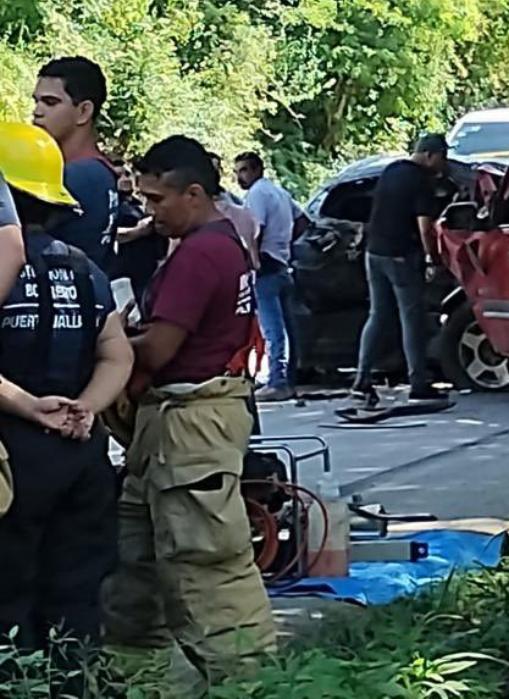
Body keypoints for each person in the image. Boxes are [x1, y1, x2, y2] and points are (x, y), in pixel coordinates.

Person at [101, 136, 275, 690]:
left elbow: (157, 350)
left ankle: (250, 684)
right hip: (175, 425)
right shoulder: (221, 240)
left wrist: (109, 342)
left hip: (192, 426)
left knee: (206, 566)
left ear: (194, 194)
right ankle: (134, 679)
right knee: (138, 563)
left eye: (157, 200)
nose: (149, 212)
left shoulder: (201, 254)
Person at [0, 122, 133, 692]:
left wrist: (32, 407)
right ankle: (73, 685)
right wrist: (85, 407)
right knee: (76, 595)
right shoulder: (84, 268)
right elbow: (117, 354)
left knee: (8, 599)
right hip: (81, 455)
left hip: (11, 457)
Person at [352, 133, 451, 404]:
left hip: (374, 253)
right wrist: (432, 258)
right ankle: (418, 383)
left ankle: (361, 380)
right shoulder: (421, 180)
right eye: (442, 157)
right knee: (412, 319)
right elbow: (425, 226)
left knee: (377, 316)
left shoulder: (391, 171)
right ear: (430, 155)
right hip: (401, 256)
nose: (443, 163)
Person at [31, 56, 119, 273]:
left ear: (84, 112)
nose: (37, 112)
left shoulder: (78, 175)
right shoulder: (100, 172)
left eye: (50, 102)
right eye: (36, 101)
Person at [235, 152, 297, 401]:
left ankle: (277, 381)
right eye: (237, 171)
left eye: (243, 170)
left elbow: (255, 230)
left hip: (266, 265)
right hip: (282, 263)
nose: (239, 177)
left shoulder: (257, 194)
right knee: (287, 327)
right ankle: (288, 378)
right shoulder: (279, 193)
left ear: (256, 170)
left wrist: (253, 260)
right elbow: (302, 220)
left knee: (272, 329)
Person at [113, 157, 169, 299]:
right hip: (124, 274)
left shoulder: (139, 204)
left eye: (127, 174)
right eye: (118, 176)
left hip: (149, 270)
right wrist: (138, 231)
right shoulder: (111, 206)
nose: (125, 179)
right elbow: (109, 234)